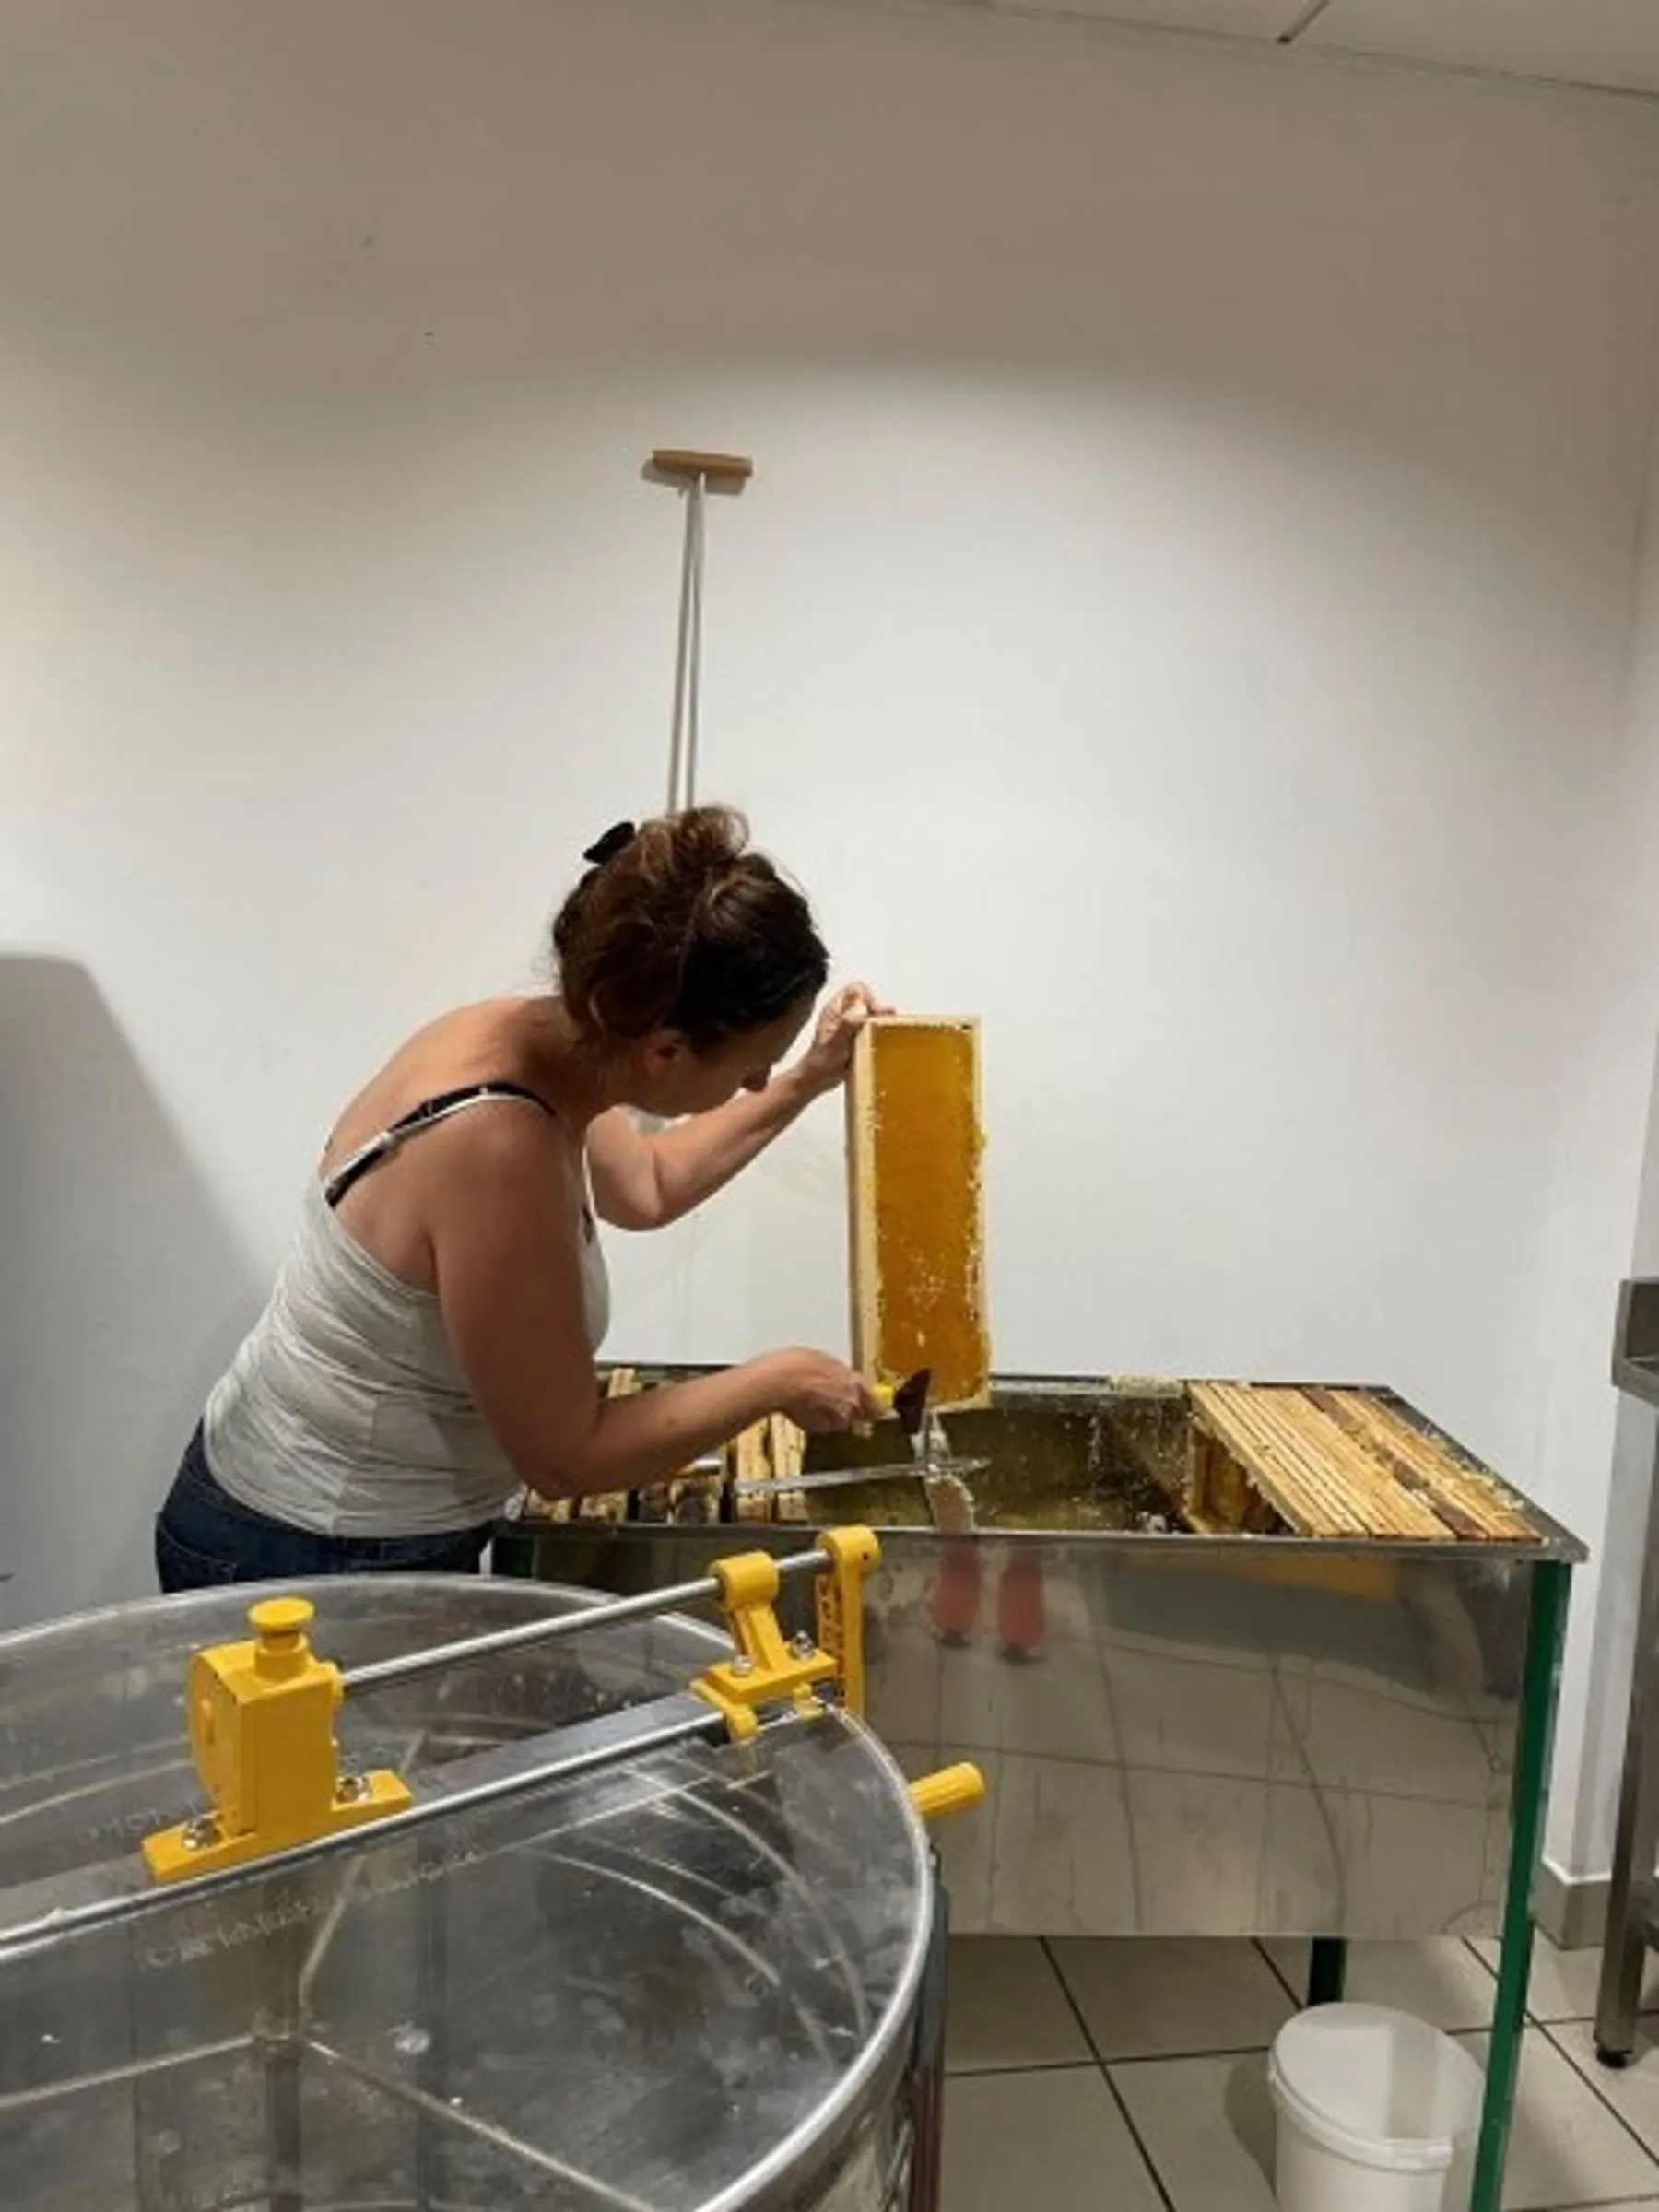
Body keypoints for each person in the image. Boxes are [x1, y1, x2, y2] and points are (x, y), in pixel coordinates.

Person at [155, 806, 887, 1592]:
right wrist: (778, 1380)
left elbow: (647, 1185)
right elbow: (566, 1458)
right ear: (665, 1050)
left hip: (336, 1521)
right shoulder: (496, 1142)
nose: (755, 1083)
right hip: (308, 1546)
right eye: (751, 1066)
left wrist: (806, 1079)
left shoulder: (551, 1040)